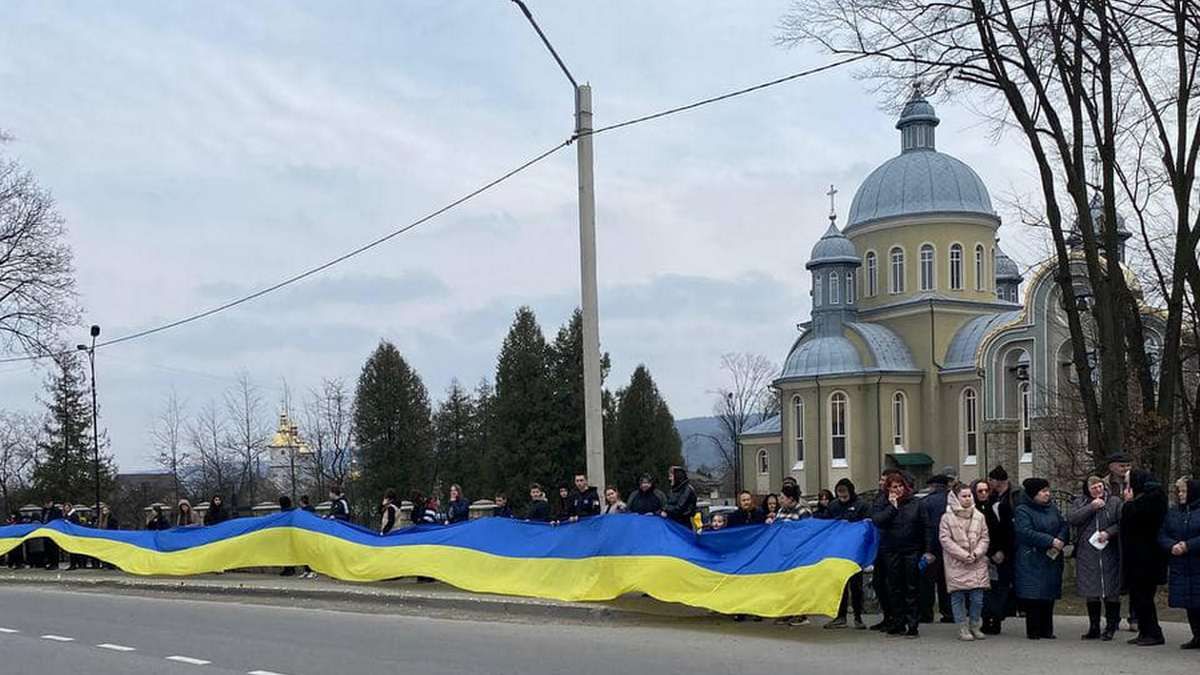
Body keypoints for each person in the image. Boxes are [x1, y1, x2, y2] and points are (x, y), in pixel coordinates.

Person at [872, 472, 929, 638]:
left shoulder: (916, 503)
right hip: (891, 550)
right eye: (894, 487)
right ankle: (898, 622)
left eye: (900, 486)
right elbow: (878, 520)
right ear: (888, 489)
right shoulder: (882, 503)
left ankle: (913, 624)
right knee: (894, 587)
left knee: (911, 588)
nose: (898, 490)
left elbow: (926, 527)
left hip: (912, 550)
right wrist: (892, 507)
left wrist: (928, 550)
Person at [1067, 476, 1122, 641]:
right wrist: (1091, 507)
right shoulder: (1080, 502)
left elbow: (1121, 522)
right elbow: (1072, 519)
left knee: (1111, 589)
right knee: (1091, 590)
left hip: (1109, 551)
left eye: (1099, 487)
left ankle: (1111, 626)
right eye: (1093, 488)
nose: (1097, 490)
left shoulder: (1114, 502)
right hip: (1088, 551)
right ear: (1088, 490)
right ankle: (1094, 627)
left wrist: (1108, 532)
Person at [1014, 477, 1067, 640]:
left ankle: (1047, 629)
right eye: (1043, 491)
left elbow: (1063, 524)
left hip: (1052, 556)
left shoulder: (1052, 508)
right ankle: (1034, 629)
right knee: (1033, 595)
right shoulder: (1022, 510)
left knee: (1048, 593)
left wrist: (1060, 539)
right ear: (1033, 494)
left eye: (1047, 491)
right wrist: (1050, 540)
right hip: (1032, 557)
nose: (1047, 494)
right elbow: (1025, 532)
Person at [1121, 468, 1169, 646]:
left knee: (1144, 596)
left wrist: (1128, 503)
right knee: (1138, 596)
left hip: (1147, 557)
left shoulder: (1152, 499)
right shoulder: (1146, 497)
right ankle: (1145, 630)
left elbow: (1134, 518)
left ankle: (1153, 632)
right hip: (1139, 556)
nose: (1126, 487)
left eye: (1128, 483)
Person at [940, 483, 991, 642]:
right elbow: (945, 540)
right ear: (956, 498)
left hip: (977, 561)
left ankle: (975, 624)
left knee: (977, 598)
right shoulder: (947, 517)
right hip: (956, 563)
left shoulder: (979, 516)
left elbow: (985, 537)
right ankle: (962, 626)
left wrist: (977, 553)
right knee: (958, 597)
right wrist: (963, 555)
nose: (968, 499)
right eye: (964, 496)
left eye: (969, 495)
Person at [1159, 478, 1200, 649]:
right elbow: (1162, 533)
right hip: (1181, 564)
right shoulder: (1173, 512)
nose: (1181, 495)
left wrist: (1188, 546)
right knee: (1190, 603)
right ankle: (1197, 635)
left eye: (1183, 491)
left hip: (1196, 561)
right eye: (1179, 491)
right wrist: (1171, 546)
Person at [825, 478, 868, 629]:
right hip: (838, 551)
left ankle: (858, 617)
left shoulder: (861, 505)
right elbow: (825, 523)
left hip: (855, 552)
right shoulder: (833, 505)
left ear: (851, 490)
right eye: (839, 492)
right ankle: (840, 616)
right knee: (839, 585)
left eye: (844, 491)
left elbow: (867, 526)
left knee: (856, 586)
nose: (842, 495)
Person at [981, 465, 1018, 635]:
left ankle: (997, 616)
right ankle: (991, 616)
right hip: (992, 549)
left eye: (991, 480)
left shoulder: (1012, 498)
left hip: (1006, 549)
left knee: (1001, 585)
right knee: (991, 585)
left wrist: (1002, 550)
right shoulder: (992, 498)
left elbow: (1007, 529)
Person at [920, 474, 955, 625]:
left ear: (932, 486)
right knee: (947, 582)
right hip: (951, 548)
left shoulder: (925, 502)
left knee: (928, 582)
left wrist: (926, 549)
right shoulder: (954, 501)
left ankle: (926, 614)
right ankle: (948, 613)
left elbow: (923, 527)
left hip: (931, 547)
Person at [40, 499, 63, 570]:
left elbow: (59, 520)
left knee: (54, 548)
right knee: (47, 548)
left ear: (52, 503)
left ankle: (55, 563)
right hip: (45, 531)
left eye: (48, 503)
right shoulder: (44, 511)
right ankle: (49, 563)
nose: (47, 505)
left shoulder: (56, 511)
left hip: (53, 531)